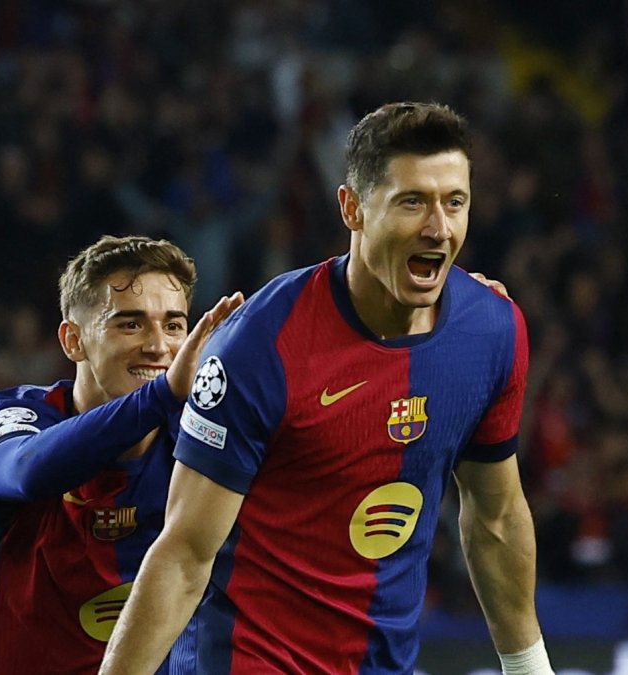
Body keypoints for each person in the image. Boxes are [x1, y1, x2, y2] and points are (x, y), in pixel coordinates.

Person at [100, 102, 553, 675]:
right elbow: (185, 554)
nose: (438, 227)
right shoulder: (259, 346)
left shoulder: (491, 331)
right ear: (353, 209)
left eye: (454, 202)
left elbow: (496, 515)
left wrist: (529, 667)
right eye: (412, 202)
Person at [0, 235, 243, 675]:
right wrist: (161, 395)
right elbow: (27, 473)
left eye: (175, 325)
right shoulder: (17, 414)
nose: (158, 346)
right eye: (131, 324)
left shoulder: (200, 442)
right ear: (73, 341)